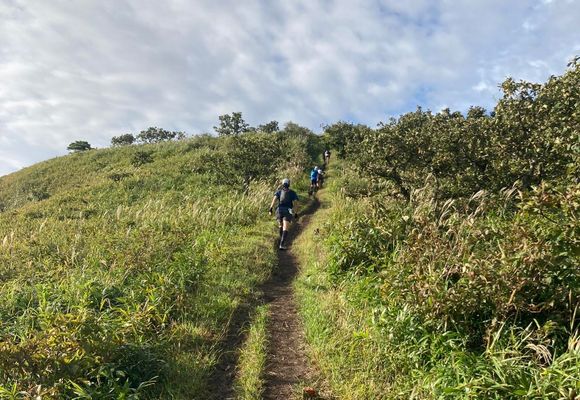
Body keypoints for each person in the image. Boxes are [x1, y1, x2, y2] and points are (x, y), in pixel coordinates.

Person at [269, 178, 299, 250]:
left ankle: (281, 240)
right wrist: (295, 212)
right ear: (289, 184)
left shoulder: (279, 191)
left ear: (282, 184)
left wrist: (270, 209)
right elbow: (296, 203)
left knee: (280, 225)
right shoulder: (292, 193)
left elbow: (274, 200)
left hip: (279, 210)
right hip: (288, 211)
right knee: (285, 227)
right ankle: (282, 244)